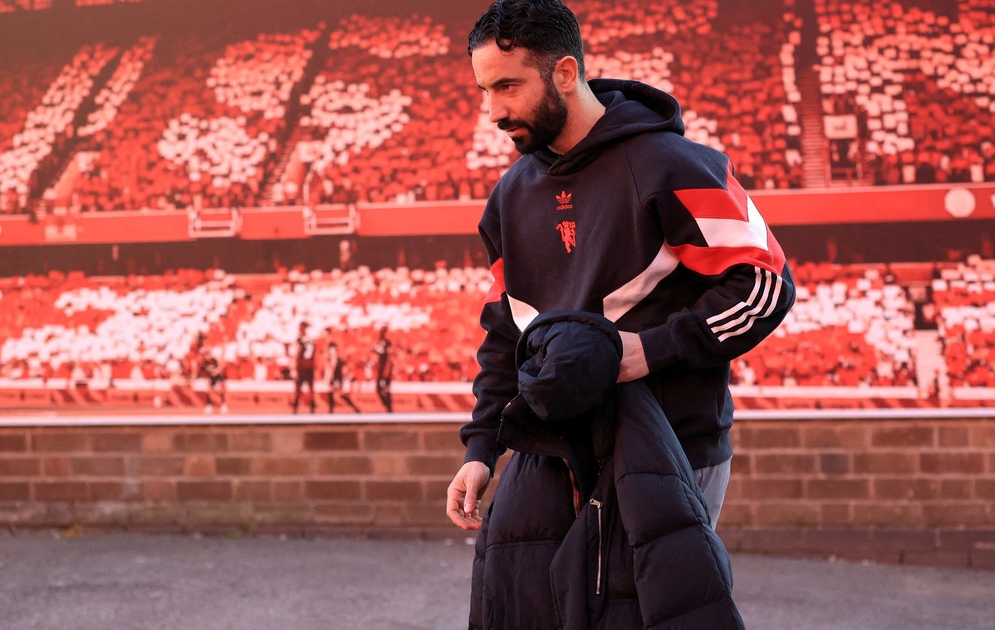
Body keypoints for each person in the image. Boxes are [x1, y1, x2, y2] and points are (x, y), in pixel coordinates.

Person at [444, 0, 795, 626]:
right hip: (558, 455)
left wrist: (649, 352)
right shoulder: (508, 197)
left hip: (672, 445)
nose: (493, 111)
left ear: (564, 73)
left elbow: (765, 286)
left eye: (507, 86)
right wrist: (481, 448)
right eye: (484, 90)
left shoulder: (674, 165)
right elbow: (507, 332)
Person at [323, 329, 360, 413]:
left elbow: (334, 361)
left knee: (338, 393)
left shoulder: (331, 346)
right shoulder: (331, 345)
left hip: (336, 374)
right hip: (336, 374)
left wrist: (331, 374)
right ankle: (331, 411)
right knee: (332, 393)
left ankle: (355, 408)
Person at [291, 321, 317, 414]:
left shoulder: (301, 340)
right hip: (309, 365)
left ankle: (296, 405)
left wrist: (295, 366)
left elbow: (297, 352)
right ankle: (312, 404)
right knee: (310, 386)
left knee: (299, 386)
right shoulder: (310, 340)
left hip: (303, 365)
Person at [371, 325, 393, 413]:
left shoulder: (387, 343)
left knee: (385, 388)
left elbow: (389, 357)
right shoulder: (380, 342)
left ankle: (389, 407)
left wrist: (387, 370)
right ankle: (387, 406)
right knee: (380, 388)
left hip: (385, 368)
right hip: (381, 368)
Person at [200, 349, 228, 415]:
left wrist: (216, 372)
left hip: (217, 378)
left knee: (220, 392)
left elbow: (219, 369)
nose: (207, 356)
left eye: (208, 354)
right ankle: (209, 407)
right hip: (210, 379)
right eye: (206, 355)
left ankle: (223, 406)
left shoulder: (214, 361)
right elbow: (204, 371)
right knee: (209, 393)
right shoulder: (204, 363)